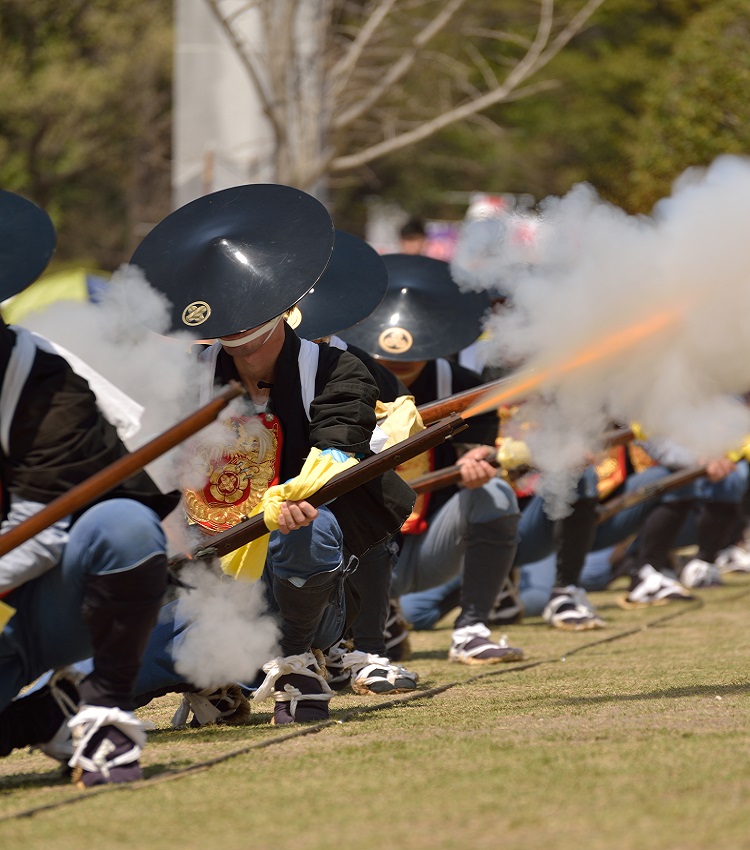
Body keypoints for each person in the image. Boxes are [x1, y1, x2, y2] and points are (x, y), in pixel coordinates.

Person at [128, 185, 416, 725]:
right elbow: (152, 470)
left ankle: (296, 661)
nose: (241, 340)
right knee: (125, 671)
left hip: (300, 569)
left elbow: (337, 452)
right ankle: (213, 677)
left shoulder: (337, 370)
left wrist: (291, 498)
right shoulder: (181, 377)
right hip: (206, 569)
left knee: (308, 528)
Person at [0, 190, 178, 786]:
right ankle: (44, 717)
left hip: (39, 597)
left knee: (123, 526)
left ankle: (106, 707)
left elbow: (44, 521)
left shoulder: (41, 379)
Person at [340, 253, 525, 664]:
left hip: (426, 545)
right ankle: (369, 619)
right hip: (354, 551)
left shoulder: (462, 385)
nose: (398, 357)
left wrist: (477, 463)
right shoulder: (339, 377)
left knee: (494, 493)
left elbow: (477, 449)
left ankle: (472, 629)